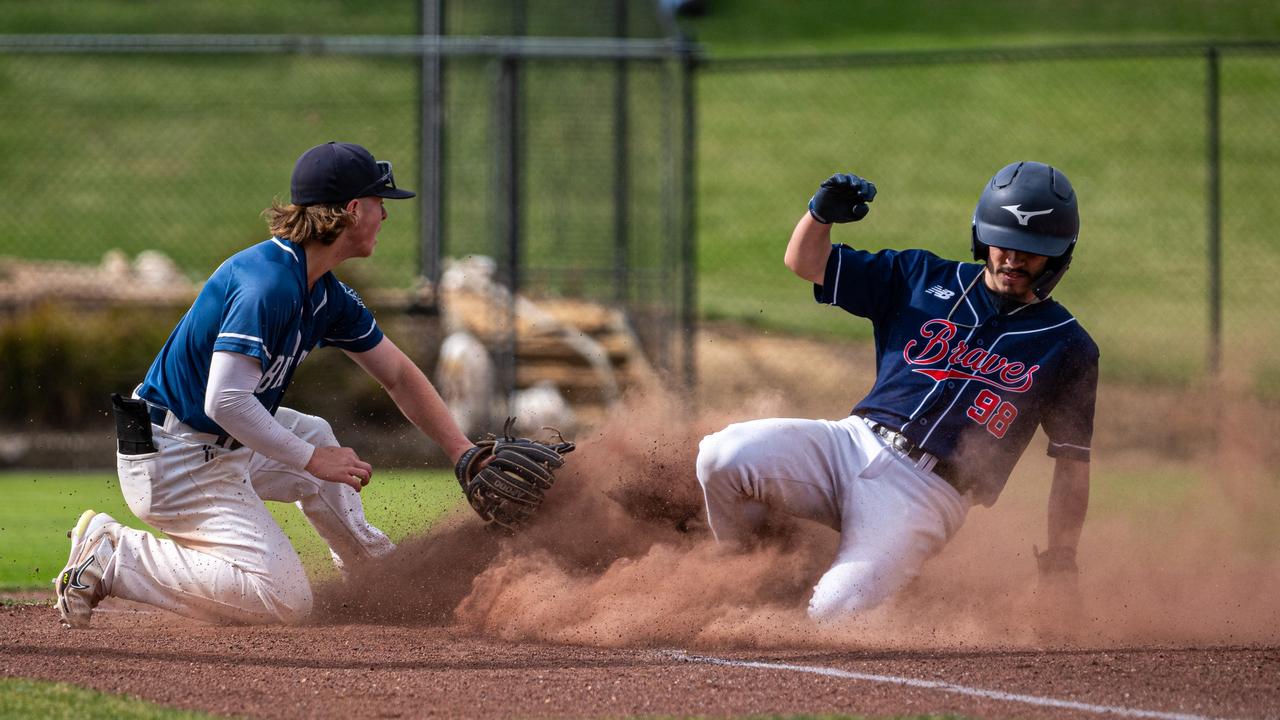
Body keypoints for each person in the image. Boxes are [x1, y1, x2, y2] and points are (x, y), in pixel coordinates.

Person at [55, 141, 477, 627]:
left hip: (215, 445)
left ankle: (374, 574)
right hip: (175, 458)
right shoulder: (268, 284)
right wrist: (312, 460)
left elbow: (398, 375)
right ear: (354, 210)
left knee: (314, 432)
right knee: (283, 599)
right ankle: (114, 554)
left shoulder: (324, 291)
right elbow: (226, 399)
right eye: (381, 203)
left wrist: (460, 450)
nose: (386, 215)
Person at [696, 161, 1098, 621]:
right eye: (1003, 242)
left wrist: (1061, 559)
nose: (1014, 259)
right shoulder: (919, 276)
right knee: (720, 456)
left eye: (1031, 250)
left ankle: (880, 580)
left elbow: (1071, 465)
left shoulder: (1069, 346)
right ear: (981, 236)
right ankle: (753, 579)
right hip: (850, 443)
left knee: (834, 614)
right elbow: (805, 262)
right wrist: (819, 216)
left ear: (1060, 255)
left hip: (925, 495)